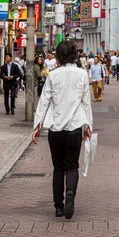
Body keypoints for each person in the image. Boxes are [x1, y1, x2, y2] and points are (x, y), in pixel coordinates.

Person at [32, 41, 93, 220]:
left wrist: (37, 125)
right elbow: (86, 103)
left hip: (56, 128)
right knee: (72, 165)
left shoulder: (53, 75)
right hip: (75, 127)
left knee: (58, 168)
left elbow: (44, 100)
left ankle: (58, 206)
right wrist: (88, 126)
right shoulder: (82, 74)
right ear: (74, 55)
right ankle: (70, 193)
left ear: (58, 55)